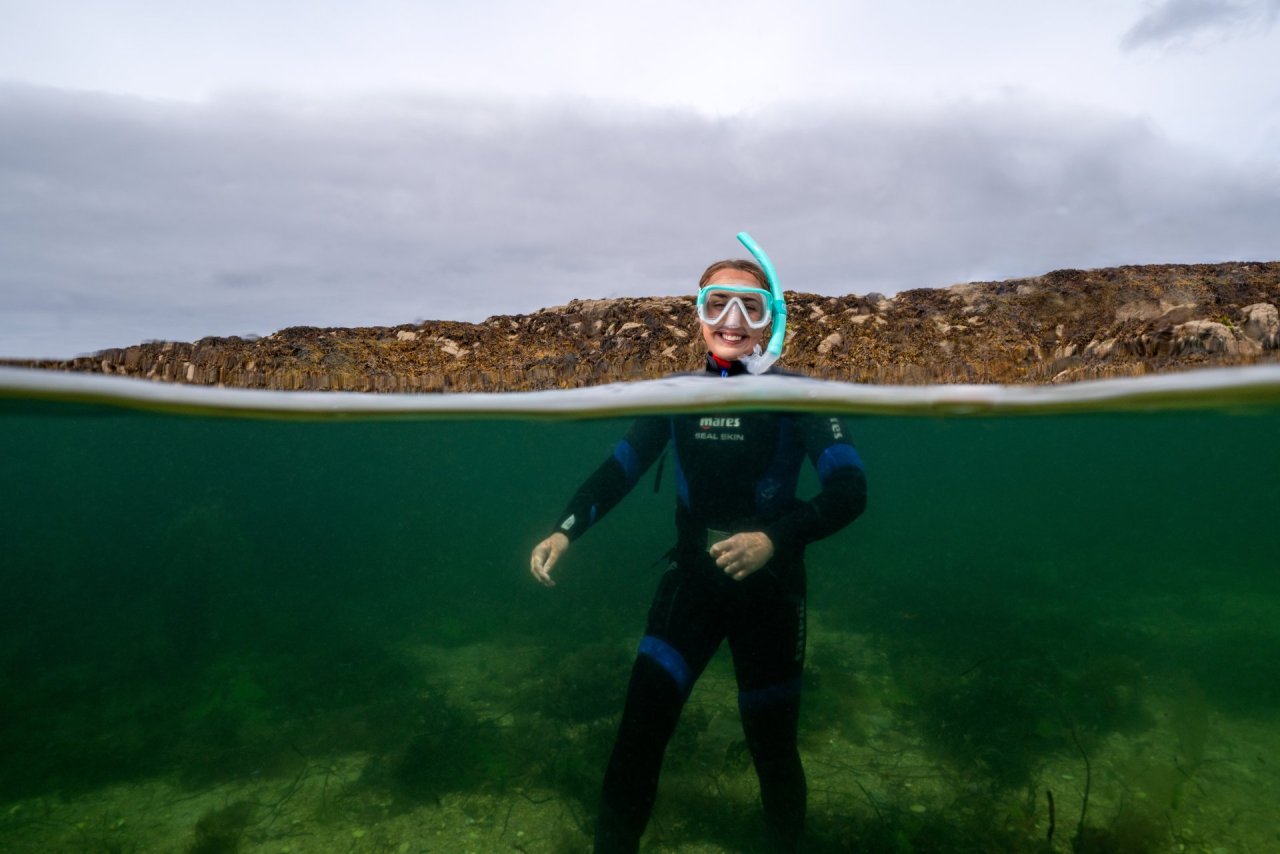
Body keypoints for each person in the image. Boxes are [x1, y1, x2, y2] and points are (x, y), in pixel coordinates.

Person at [529, 242, 867, 853]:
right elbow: (622, 466)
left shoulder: (799, 395)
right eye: (718, 303)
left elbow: (849, 489)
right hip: (692, 586)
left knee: (772, 750)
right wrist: (565, 527)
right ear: (698, 314)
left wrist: (774, 539)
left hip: (771, 594)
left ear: (772, 318)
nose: (734, 320)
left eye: (751, 306)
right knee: (638, 736)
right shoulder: (678, 393)